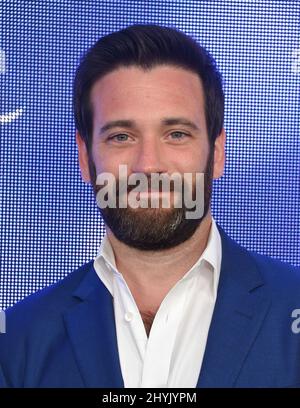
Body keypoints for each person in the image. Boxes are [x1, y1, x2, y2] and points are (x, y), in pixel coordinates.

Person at [0, 24, 300, 388]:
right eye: (121, 137)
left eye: (176, 134)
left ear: (217, 153)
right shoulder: (15, 341)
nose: (148, 165)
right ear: (84, 157)